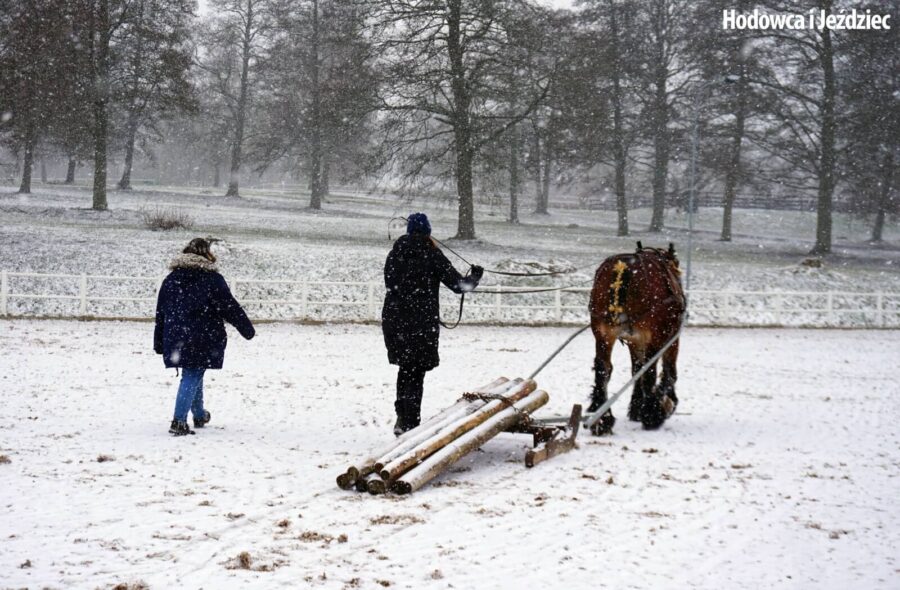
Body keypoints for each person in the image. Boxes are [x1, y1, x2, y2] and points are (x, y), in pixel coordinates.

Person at [381, 213, 483, 436]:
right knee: (415, 372)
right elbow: (459, 286)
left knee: (406, 369)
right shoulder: (431, 254)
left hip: (394, 322)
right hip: (420, 323)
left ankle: (404, 416)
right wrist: (475, 276)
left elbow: (391, 283)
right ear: (427, 231)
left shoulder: (395, 254)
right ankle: (410, 423)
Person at [154, 238, 255, 436]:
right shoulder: (211, 279)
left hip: (176, 336)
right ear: (207, 255)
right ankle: (179, 421)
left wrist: (159, 341)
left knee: (193, 372)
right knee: (192, 374)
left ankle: (199, 414)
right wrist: (246, 329)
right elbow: (229, 307)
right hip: (203, 335)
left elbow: (161, 313)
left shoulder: (171, 279)